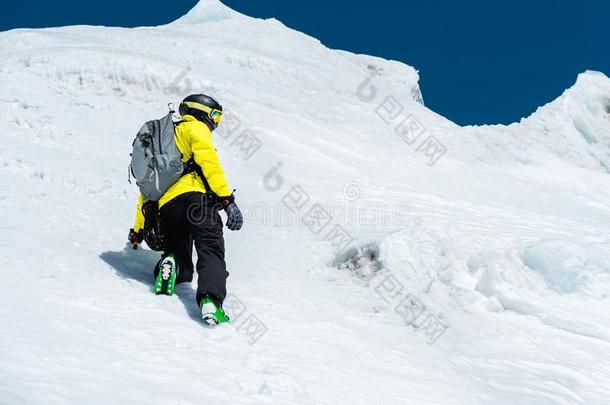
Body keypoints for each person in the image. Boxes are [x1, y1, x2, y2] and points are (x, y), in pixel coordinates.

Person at [128, 94, 243, 325]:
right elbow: (211, 166)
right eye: (215, 116)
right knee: (210, 248)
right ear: (201, 111)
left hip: (167, 208)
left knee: (183, 264)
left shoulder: (164, 140)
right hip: (197, 201)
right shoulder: (195, 128)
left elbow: (147, 191)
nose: (216, 123)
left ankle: (170, 261)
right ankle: (211, 301)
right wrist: (228, 201)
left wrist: (138, 231)